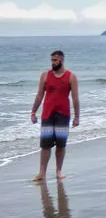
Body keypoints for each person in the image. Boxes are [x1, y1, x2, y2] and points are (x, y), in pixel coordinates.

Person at [31, 51, 80, 181]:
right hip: (47, 114)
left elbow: (75, 98)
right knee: (45, 145)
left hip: (63, 115)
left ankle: (59, 171)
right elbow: (39, 95)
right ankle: (42, 173)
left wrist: (77, 117)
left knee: (61, 144)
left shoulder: (71, 77)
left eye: (55, 60)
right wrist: (33, 112)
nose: (53, 62)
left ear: (62, 60)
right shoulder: (45, 75)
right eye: (52, 60)